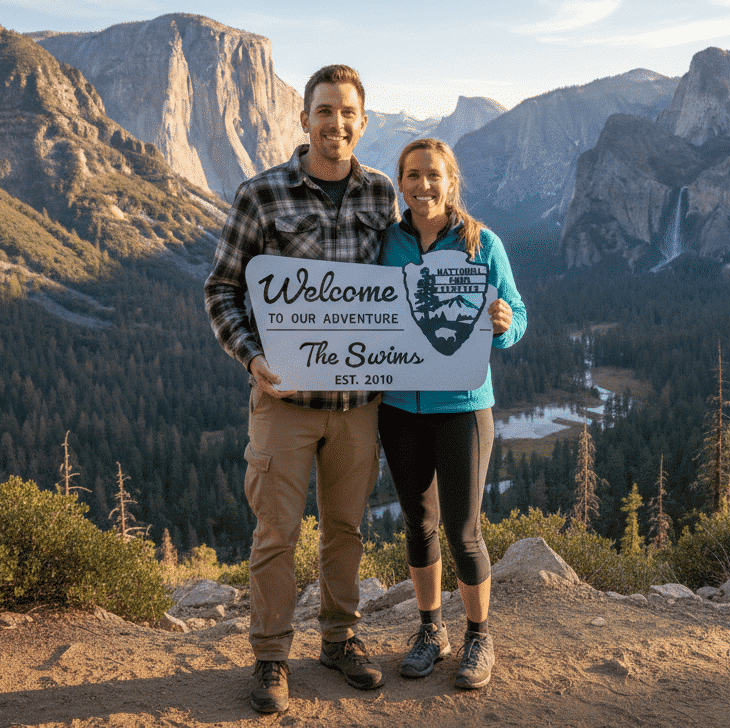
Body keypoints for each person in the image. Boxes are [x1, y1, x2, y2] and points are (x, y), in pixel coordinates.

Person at [204, 65, 399, 714]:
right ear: (303, 118)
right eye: (324, 111)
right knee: (276, 533)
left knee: (346, 527)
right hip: (283, 401)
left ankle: (341, 641)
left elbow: (399, 291)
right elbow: (223, 291)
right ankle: (270, 658)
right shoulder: (260, 196)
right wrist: (250, 356)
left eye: (348, 112)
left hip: (356, 406)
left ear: (362, 122)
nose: (335, 123)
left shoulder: (381, 195)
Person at [377, 137, 526, 690]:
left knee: (463, 531)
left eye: (432, 175)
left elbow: (519, 314)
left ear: (450, 180)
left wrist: (508, 323)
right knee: (418, 524)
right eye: (411, 175)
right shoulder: (386, 244)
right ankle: (430, 630)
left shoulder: (482, 243)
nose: (422, 186)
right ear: (400, 182)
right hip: (398, 407)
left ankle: (479, 636)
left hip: (463, 407)